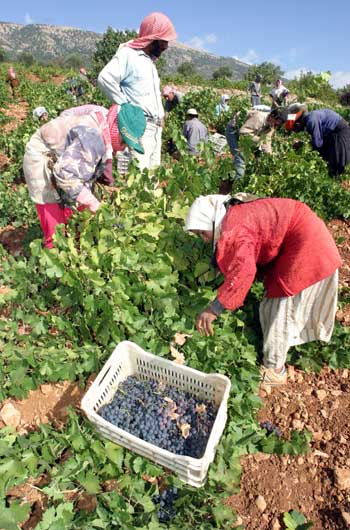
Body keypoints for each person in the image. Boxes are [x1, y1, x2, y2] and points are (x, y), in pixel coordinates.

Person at [185, 194, 341, 385]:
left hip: (308, 245)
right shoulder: (232, 214)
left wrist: (214, 309)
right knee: (270, 304)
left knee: (280, 307)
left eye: (202, 233)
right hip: (304, 233)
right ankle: (280, 350)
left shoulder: (234, 230)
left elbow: (244, 271)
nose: (202, 239)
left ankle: (275, 371)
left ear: (211, 221)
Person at [23, 103, 146, 248]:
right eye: (124, 142)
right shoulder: (93, 137)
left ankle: (76, 241)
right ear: (116, 131)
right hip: (41, 158)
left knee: (78, 209)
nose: (124, 147)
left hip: (65, 160)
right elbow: (66, 175)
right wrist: (94, 204)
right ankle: (56, 251)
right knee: (56, 229)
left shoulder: (106, 120)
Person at [98, 12, 177, 171]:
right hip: (140, 127)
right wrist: (127, 107)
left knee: (153, 176)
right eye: (163, 41)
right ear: (152, 38)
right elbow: (105, 78)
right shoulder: (129, 55)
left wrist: (161, 114)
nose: (166, 46)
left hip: (155, 129)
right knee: (141, 178)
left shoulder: (150, 63)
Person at [284, 104, 350, 177]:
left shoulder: (311, 120)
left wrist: (302, 145)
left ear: (298, 124)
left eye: (295, 129)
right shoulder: (310, 118)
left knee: (337, 163)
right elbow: (318, 140)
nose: (298, 131)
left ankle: (338, 182)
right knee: (327, 157)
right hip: (331, 133)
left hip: (340, 132)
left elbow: (317, 144)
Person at [225, 107, 282, 178]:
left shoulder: (271, 126)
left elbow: (267, 141)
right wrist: (259, 140)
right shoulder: (259, 118)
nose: (275, 127)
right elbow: (243, 132)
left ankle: (235, 174)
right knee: (240, 156)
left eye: (278, 126)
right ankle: (238, 182)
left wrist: (270, 156)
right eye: (275, 124)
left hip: (245, 134)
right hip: (233, 130)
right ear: (271, 117)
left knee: (249, 157)